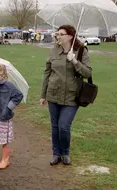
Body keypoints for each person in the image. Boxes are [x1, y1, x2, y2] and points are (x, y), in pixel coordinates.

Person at [40, 25, 92, 166]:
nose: (58, 36)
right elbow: (47, 73)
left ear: (70, 36)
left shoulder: (81, 51)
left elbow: (88, 73)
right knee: (55, 126)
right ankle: (56, 154)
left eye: (61, 34)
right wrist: (43, 94)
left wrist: (74, 61)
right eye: (57, 34)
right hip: (53, 94)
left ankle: (65, 153)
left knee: (64, 126)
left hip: (72, 96)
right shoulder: (53, 51)